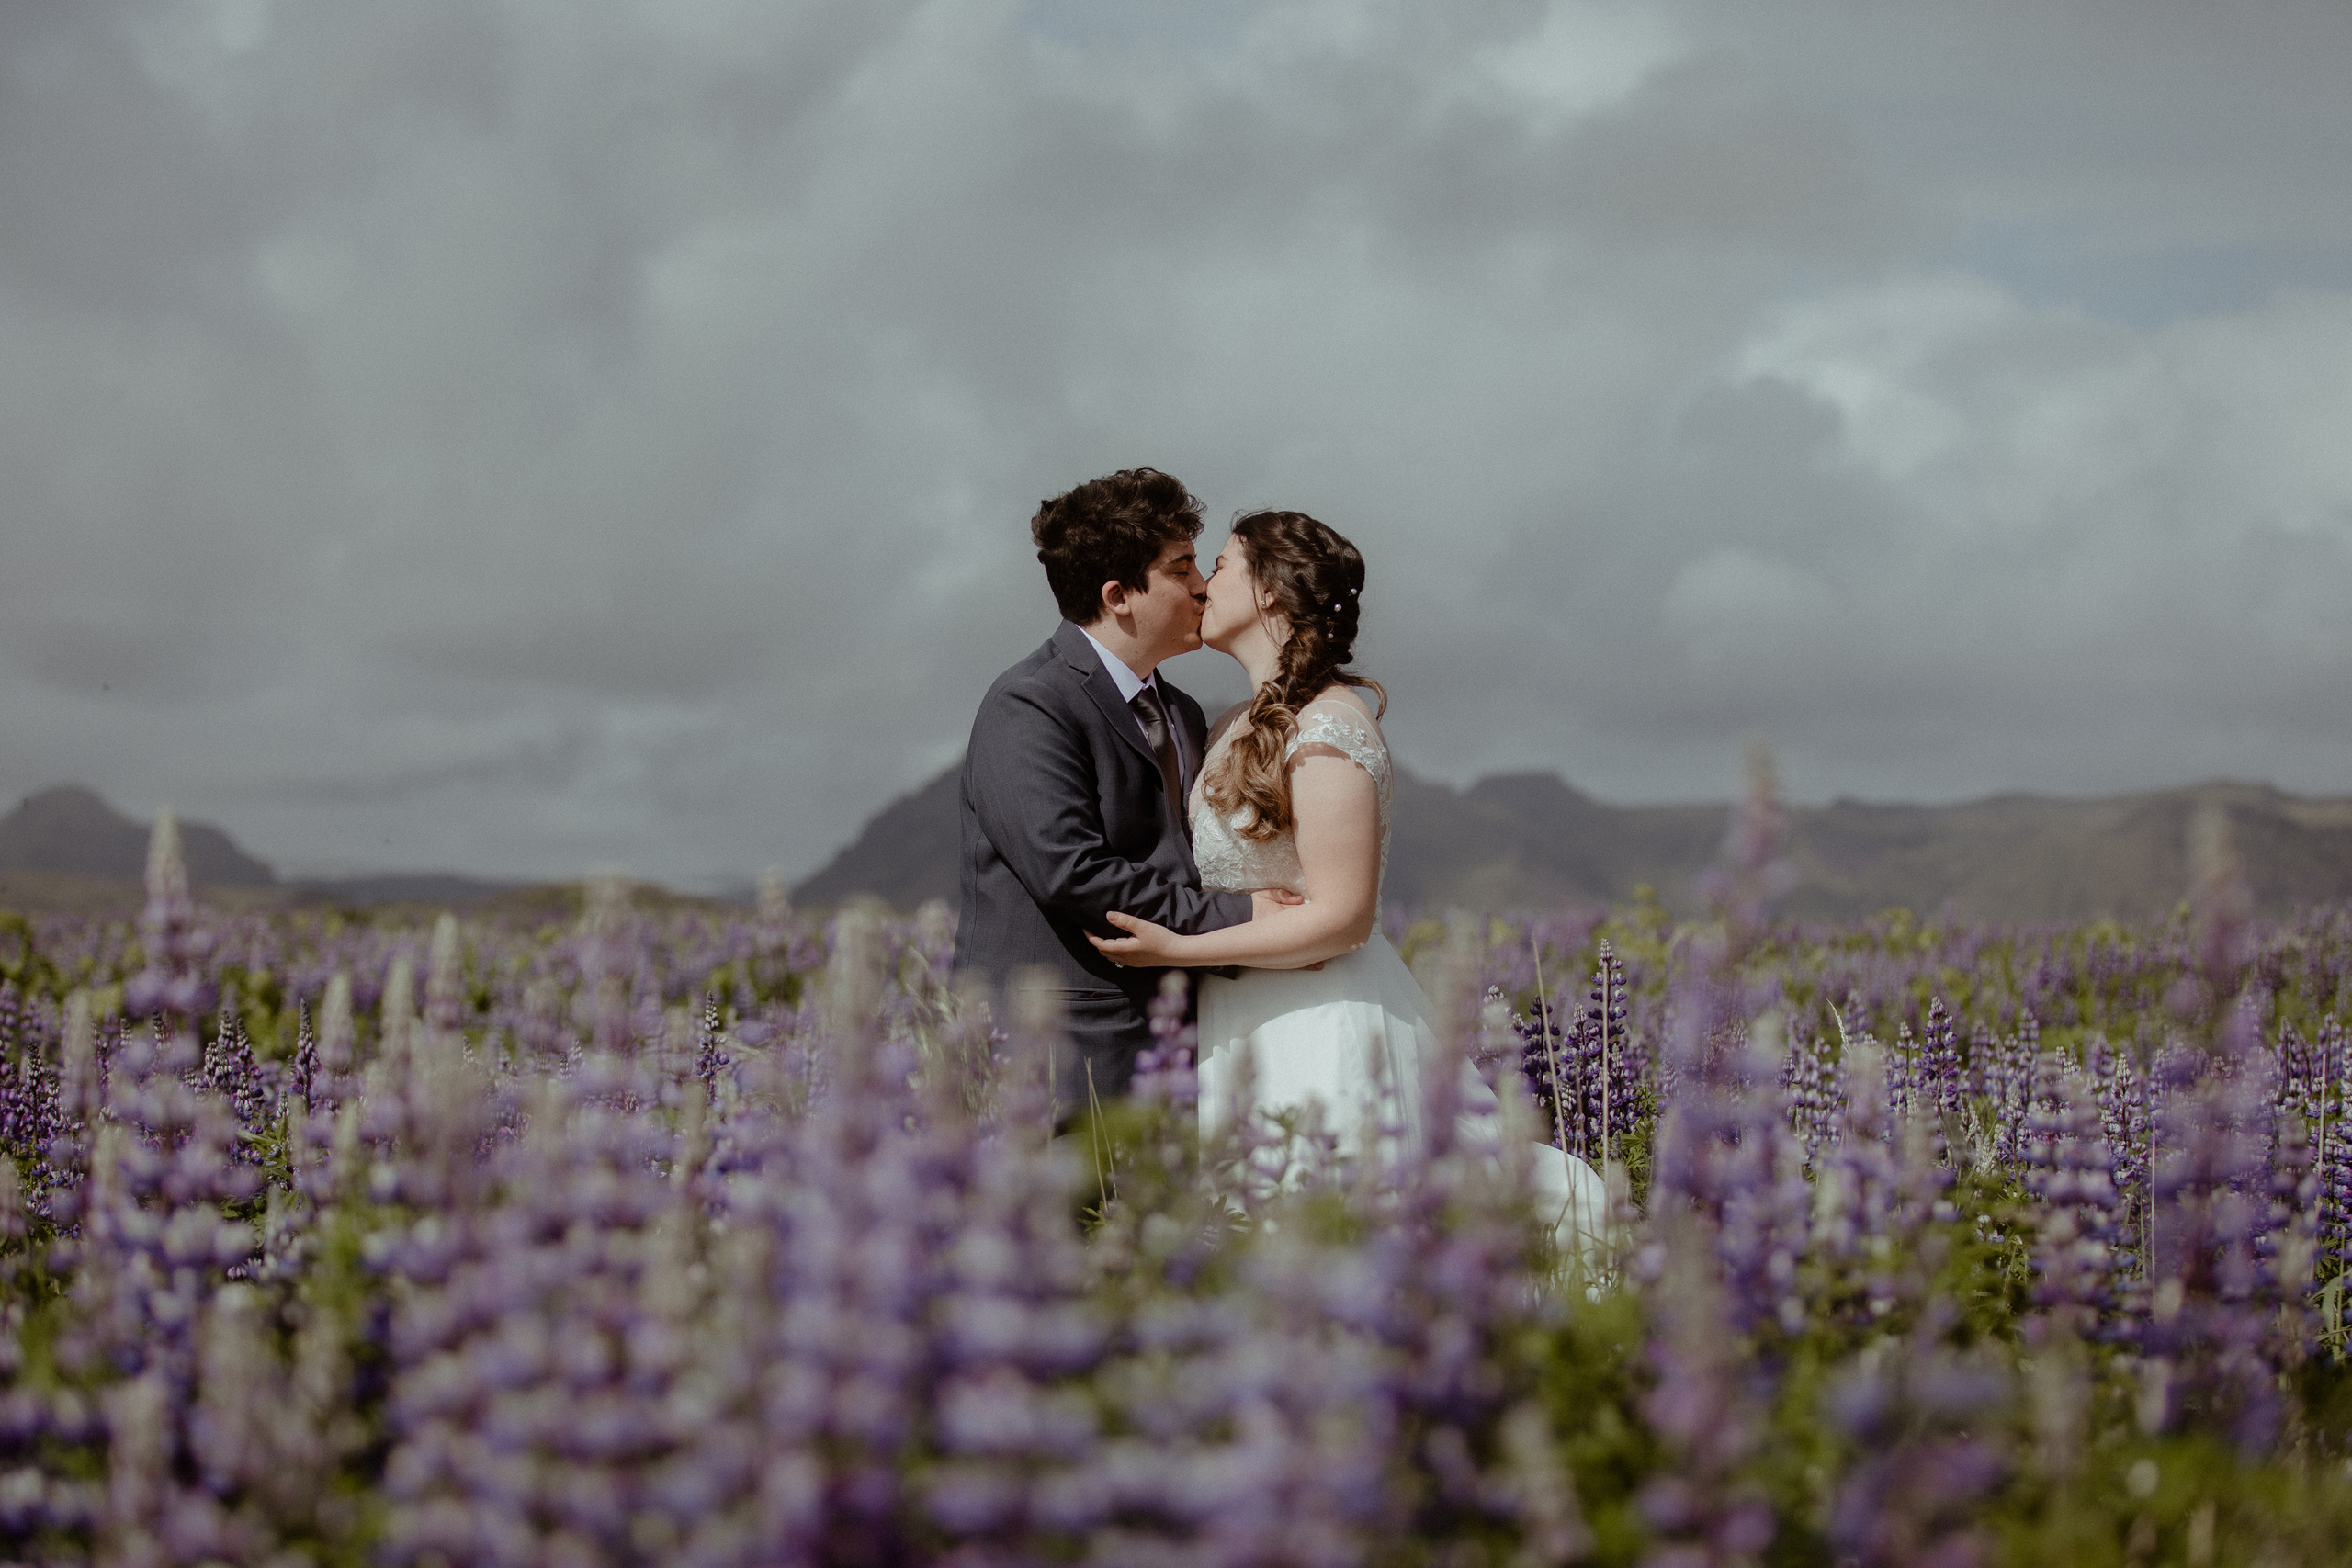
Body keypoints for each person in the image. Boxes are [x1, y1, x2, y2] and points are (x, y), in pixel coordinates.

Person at [1085, 509, 1605, 1248]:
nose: (1204, 584)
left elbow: (1344, 917)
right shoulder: (1231, 720)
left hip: (1321, 1018)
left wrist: (1177, 949)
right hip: (1240, 1023)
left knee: (1336, 1230)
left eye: (1222, 565)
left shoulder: (1331, 724)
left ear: (1269, 590)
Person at [955, 468, 1301, 1114]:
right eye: (1181, 568)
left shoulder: (1185, 711)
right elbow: (1073, 871)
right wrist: (1245, 916)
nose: (1202, 586)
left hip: (1179, 1044)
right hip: (1060, 1053)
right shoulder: (1030, 703)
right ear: (1119, 595)